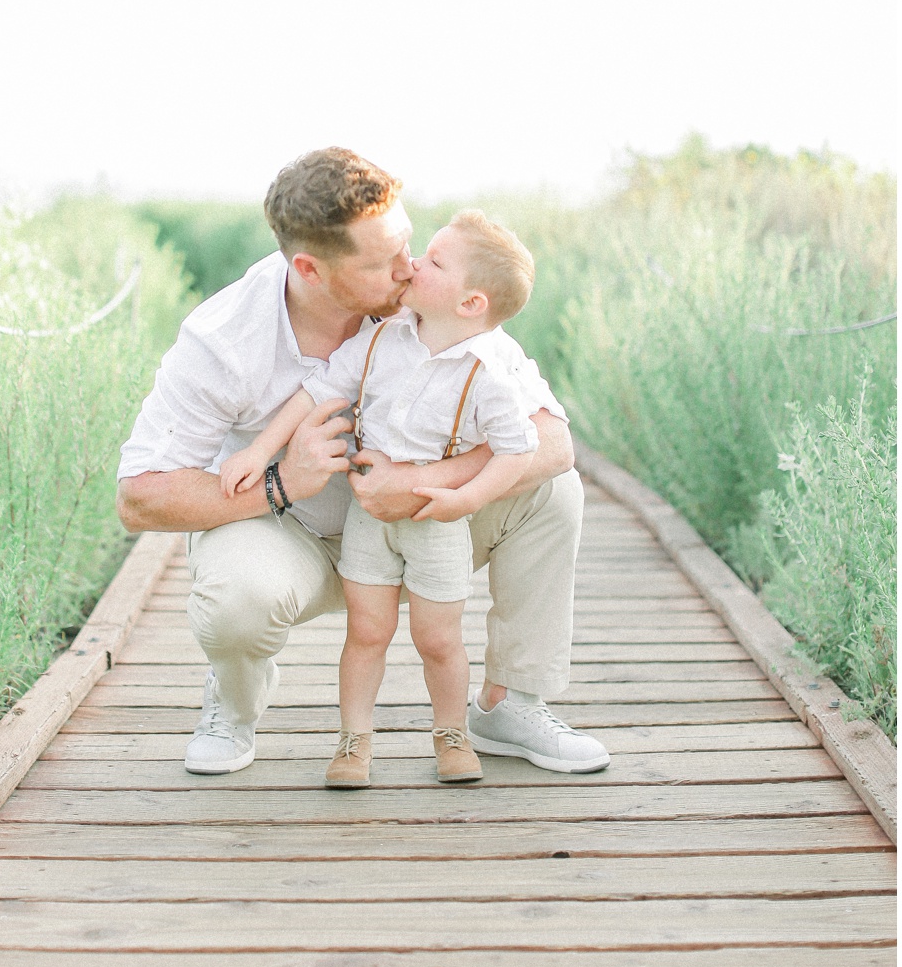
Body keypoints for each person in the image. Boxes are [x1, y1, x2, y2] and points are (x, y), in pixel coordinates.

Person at [116, 147, 610, 779]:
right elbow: (140, 498)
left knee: (554, 491)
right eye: (385, 262)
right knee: (237, 596)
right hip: (295, 538)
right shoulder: (223, 340)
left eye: (409, 246)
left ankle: (510, 703)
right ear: (310, 269)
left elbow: (551, 441)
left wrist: (420, 482)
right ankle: (233, 706)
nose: (409, 270)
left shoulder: (427, 305)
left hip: (423, 528)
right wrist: (282, 482)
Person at [221, 210, 541, 788]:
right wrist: (260, 451)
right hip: (369, 517)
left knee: (437, 638)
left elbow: (518, 450)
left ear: (471, 304)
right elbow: (316, 392)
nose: (415, 262)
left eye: (436, 261)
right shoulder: (382, 338)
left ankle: (451, 733)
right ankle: (353, 741)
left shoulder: (490, 371)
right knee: (367, 633)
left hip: (434, 521)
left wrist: (464, 498)